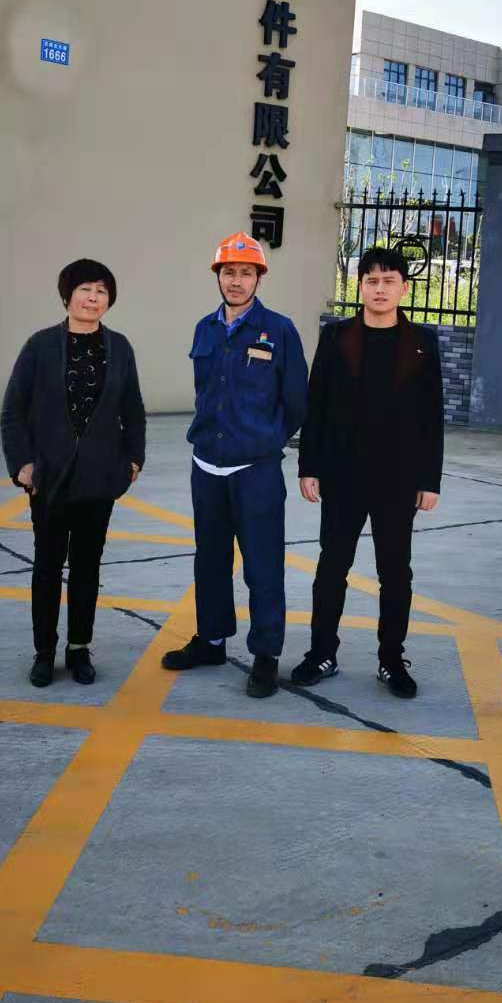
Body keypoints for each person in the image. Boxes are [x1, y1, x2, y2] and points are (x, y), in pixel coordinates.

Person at [292, 246, 443, 698]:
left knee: (395, 573)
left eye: (388, 281)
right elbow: (316, 404)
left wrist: (429, 480)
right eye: (371, 281)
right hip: (343, 475)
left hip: (398, 479)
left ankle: (391, 660)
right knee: (331, 568)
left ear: (404, 288)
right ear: (359, 286)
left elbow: (431, 416)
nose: (380, 289)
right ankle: (322, 653)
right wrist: (309, 466)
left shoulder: (421, 342)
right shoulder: (337, 337)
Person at [162, 232, 308, 699]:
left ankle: (265, 655)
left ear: (259, 278)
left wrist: (266, 439)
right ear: (218, 276)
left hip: (255, 470)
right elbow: (205, 392)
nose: (237, 281)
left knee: (263, 566)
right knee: (209, 560)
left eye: (246, 273)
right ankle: (211, 641)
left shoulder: (279, 331)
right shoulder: (204, 328)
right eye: (229, 272)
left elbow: (296, 401)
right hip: (207, 464)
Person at [1, 258, 146, 688]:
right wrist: (22, 464)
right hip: (50, 478)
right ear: (67, 296)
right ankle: (44, 652)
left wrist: (133, 461)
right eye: (85, 289)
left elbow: (133, 410)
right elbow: (13, 411)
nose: (93, 298)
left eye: (101, 291)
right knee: (47, 567)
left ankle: (79, 648)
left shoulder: (119, 348)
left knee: (87, 567)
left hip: (99, 480)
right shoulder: (41, 346)